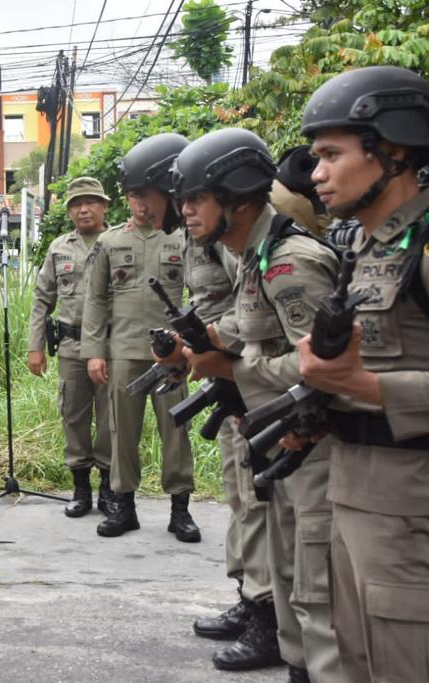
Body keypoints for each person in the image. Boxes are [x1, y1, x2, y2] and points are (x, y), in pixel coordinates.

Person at [170, 127, 342, 682]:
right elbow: (252, 329)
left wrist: (234, 369)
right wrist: (210, 341)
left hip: (313, 449)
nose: (187, 212)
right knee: (290, 579)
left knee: (318, 594)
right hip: (280, 445)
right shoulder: (253, 254)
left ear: (239, 196)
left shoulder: (291, 261)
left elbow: (323, 370)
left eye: (197, 198)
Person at [296, 65, 429, 683]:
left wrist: (368, 389)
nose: (316, 173)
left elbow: (373, 377)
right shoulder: (366, 249)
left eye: (331, 154)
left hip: (410, 512)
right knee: (355, 662)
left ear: (393, 149)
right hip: (355, 493)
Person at [164, 133, 280, 671]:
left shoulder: (258, 246)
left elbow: (251, 311)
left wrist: (214, 345)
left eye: (193, 197)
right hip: (239, 379)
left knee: (257, 502)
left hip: (258, 386)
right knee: (240, 495)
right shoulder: (223, 239)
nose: (184, 208)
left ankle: (270, 615)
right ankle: (253, 598)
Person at [81, 134, 198, 542]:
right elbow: (94, 301)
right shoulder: (110, 241)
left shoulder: (183, 238)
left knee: (176, 430)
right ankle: (123, 507)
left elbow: (201, 294)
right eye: (134, 196)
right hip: (123, 351)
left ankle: (180, 509)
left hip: (172, 354)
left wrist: (195, 351)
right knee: (120, 433)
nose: (142, 205)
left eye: (148, 196)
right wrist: (94, 353)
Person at [27, 176, 113, 518]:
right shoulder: (59, 247)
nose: (83, 209)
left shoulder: (118, 241)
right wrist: (35, 346)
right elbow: (41, 299)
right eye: (76, 204)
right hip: (71, 346)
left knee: (111, 419)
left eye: (91, 201)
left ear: (104, 206)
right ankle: (80, 488)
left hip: (110, 346)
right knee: (73, 416)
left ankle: (109, 487)